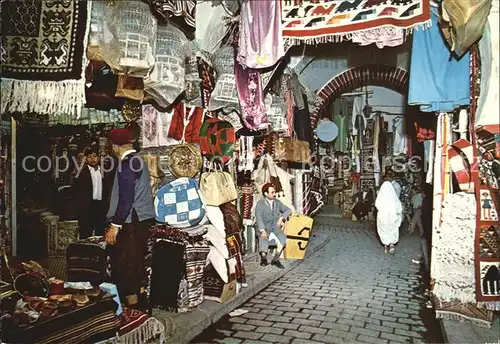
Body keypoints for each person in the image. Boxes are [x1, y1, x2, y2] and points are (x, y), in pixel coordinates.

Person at [105, 127, 155, 311]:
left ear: (114, 146)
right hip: (140, 221)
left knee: (127, 269)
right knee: (136, 265)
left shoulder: (127, 164)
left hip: (131, 223)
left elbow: (126, 199)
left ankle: (135, 314)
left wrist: (115, 225)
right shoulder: (137, 161)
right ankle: (143, 309)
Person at [73, 147, 109, 239]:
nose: (92, 159)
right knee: (86, 230)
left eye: (94, 156)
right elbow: (76, 191)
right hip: (87, 205)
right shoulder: (82, 172)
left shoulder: (104, 171)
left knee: (100, 229)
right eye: (89, 157)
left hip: (100, 205)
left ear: (98, 157)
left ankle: (100, 251)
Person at [255, 183, 292, 269]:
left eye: (274, 192)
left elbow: (288, 210)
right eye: (272, 192)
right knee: (263, 238)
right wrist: (262, 230)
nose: (274, 194)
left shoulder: (277, 202)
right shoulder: (260, 204)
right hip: (263, 227)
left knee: (283, 238)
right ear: (266, 194)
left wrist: (282, 218)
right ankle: (263, 258)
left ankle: (275, 260)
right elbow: (259, 218)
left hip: (275, 227)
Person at [375, 178, 403, 254]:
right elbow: (399, 207)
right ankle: (391, 244)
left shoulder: (381, 196)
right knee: (392, 229)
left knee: (384, 229)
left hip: (383, 215)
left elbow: (377, 205)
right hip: (392, 216)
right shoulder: (393, 197)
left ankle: (385, 245)